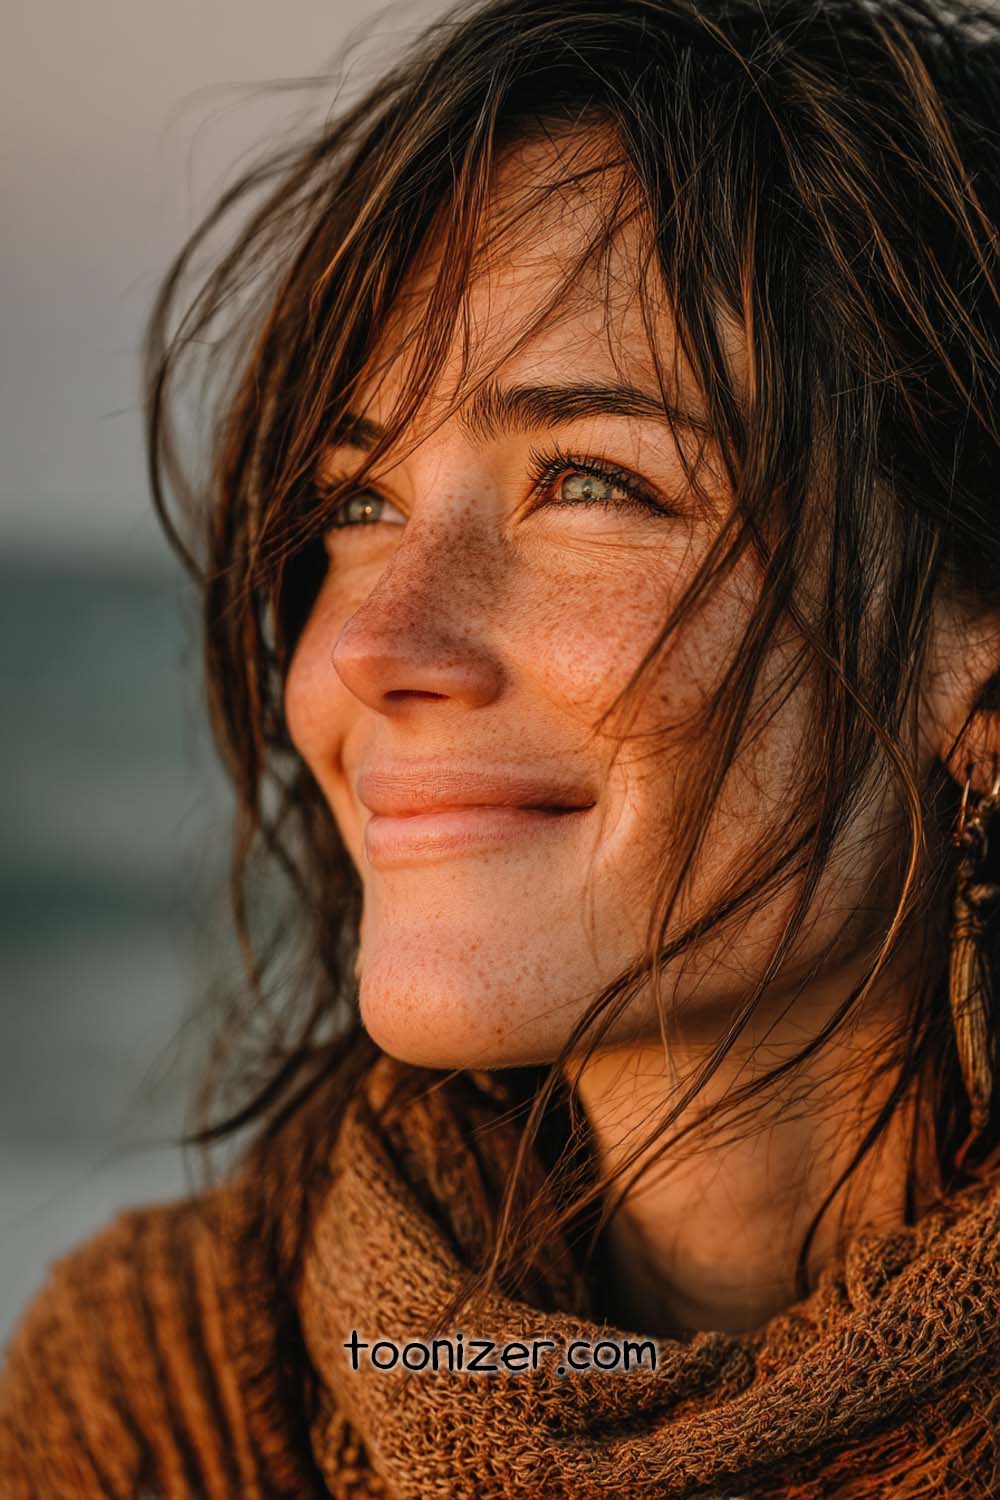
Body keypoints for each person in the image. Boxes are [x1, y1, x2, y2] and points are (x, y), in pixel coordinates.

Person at [3, 0, 1000, 1494]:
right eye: (356, 505)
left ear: (969, 661)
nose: (369, 646)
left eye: (589, 480)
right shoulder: (169, 1401)